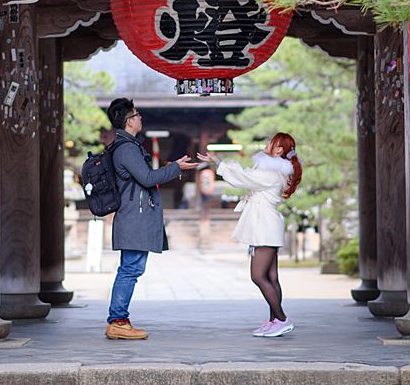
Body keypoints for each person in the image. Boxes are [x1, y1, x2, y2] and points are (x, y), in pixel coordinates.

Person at [104, 97, 199, 340]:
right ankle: (117, 320)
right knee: (129, 269)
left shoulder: (127, 145)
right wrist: (176, 167)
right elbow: (146, 178)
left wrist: (172, 167)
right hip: (133, 217)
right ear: (128, 121)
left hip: (133, 215)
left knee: (131, 268)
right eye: (136, 115)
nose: (140, 118)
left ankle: (118, 319)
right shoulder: (127, 148)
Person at [198, 132, 302, 338]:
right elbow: (248, 176)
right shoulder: (271, 169)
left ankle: (281, 319)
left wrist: (218, 163)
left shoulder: (271, 171)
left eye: (271, 142)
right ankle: (274, 320)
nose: (266, 144)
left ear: (279, 149)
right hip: (266, 222)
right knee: (271, 276)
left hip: (264, 224)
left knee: (258, 275)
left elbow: (243, 178)